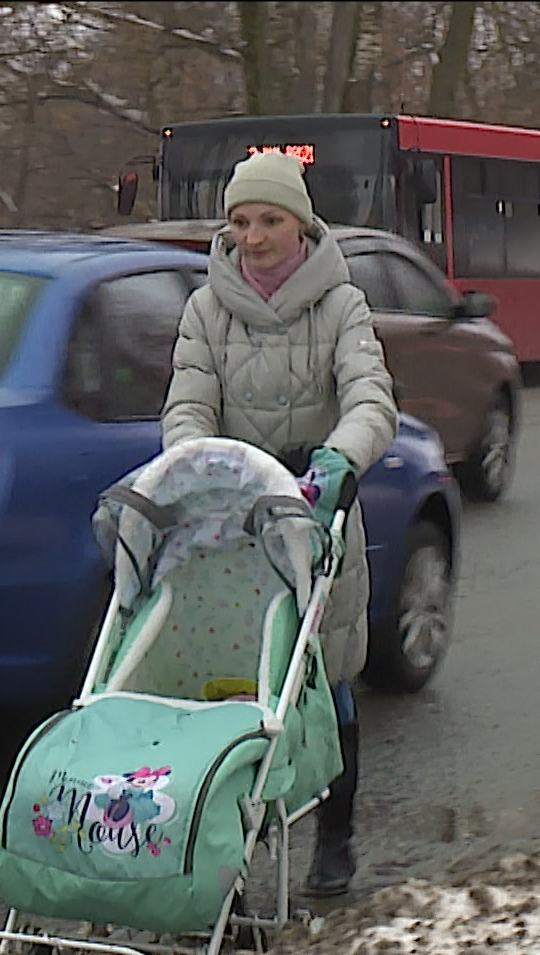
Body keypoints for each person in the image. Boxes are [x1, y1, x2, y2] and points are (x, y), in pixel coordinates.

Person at [161, 151, 400, 898]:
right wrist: (193, 465)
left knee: (323, 681)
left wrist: (340, 459)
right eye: (240, 221)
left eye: (269, 220)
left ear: (300, 224)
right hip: (232, 520)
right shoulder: (207, 309)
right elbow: (189, 401)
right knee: (232, 684)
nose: (254, 236)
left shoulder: (342, 307)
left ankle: (336, 837)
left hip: (315, 515)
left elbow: (371, 397)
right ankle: (224, 841)